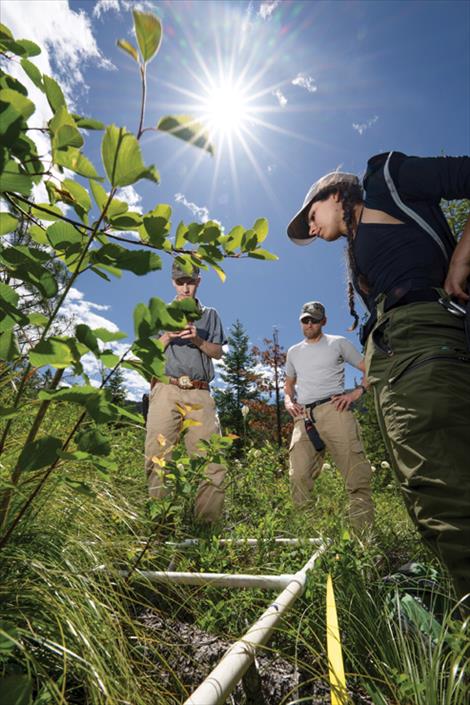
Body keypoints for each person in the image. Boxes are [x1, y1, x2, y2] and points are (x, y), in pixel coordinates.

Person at [287, 151, 470, 609]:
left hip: (426, 341)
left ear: (334, 194)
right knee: (421, 489)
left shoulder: (388, 178)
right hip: (396, 357)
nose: (311, 228)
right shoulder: (356, 253)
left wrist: (461, 259)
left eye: (312, 215)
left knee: (442, 489)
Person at [144, 262, 227, 523]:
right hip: (166, 389)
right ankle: (160, 528)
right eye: (180, 282)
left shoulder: (210, 314)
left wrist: (197, 340)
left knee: (210, 461)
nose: (185, 287)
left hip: (200, 392)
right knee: (158, 457)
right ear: (173, 282)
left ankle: (206, 529)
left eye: (190, 281)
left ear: (199, 281)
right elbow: (147, 355)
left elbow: (218, 353)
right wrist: (167, 336)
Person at [284, 300, 374, 532]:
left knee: (356, 477)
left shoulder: (338, 343)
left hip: (335, 411)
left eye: (314, 319)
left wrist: (356, 393)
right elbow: (289, 385)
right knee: (298, 477)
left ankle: (363, 540)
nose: (310, 324)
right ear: (301, 322)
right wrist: (287, 400)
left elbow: (369, 369)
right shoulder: (293, 352)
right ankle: (309, 537)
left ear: (323, 321)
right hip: (303, 417)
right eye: (306, 320)